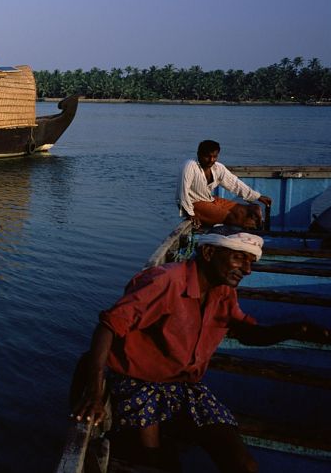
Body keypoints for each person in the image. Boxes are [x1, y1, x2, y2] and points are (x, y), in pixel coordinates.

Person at [71, 229, 331, 471]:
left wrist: (293, 330)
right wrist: (95, 390)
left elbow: (247, 333)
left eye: (251, 262)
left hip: (184, 385)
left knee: (242, 463)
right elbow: (109, 326)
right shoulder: (166, 281)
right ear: (208, 253)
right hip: (139, 382)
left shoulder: (224, 291)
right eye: (239, 258)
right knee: (156, 461)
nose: (248, 270)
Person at [177, 140, 272, 228]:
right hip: (194, 204)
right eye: (207, 156)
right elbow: (182, 192)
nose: (211, 160)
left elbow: (235, 184)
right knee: (233, 217)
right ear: (199, 154)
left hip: (209, 199)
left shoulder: (218, 168)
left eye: (214, 157)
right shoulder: (190, 165)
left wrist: (257, 197)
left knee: (253, 209)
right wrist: (190, 214)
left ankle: (256, 233)